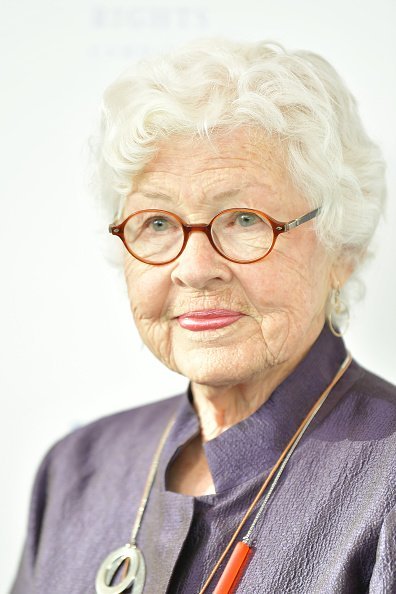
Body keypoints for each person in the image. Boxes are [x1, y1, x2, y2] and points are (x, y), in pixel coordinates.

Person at [10, 38, 395, 594]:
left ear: (341, 250)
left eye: (243, 219)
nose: (194, 269)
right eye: (158, 224)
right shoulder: (75, 470)